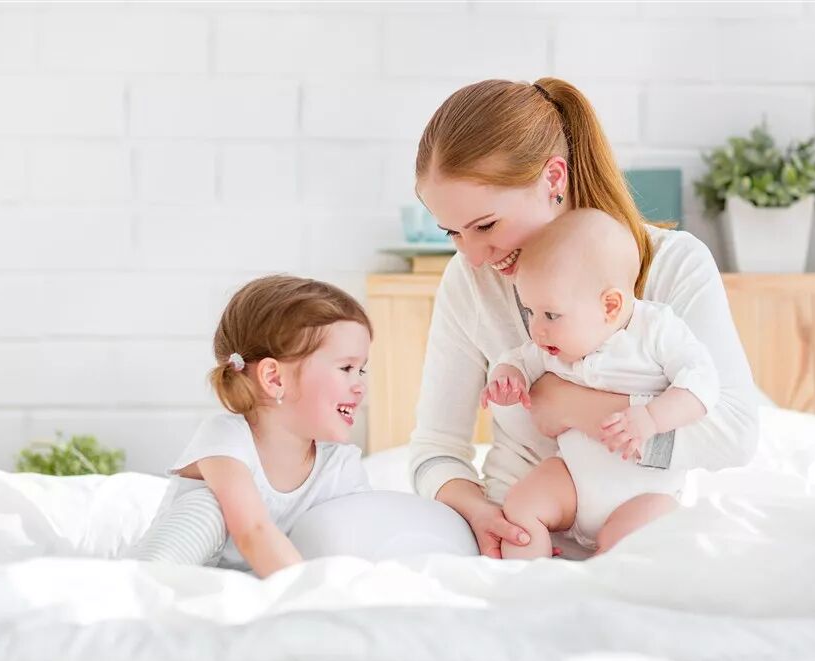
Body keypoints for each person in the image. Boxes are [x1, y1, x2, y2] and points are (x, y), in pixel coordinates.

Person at [409, 77, 759, 559]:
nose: (472, 256)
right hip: (516, 535)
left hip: (632, 537)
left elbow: (733, 434)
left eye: (486, 225)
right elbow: (435, 449)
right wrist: (481, 513)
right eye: (453, 233)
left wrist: (567, 404)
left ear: (554, 179)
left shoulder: (673, 265)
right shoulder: (470, 282)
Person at [481, 208, 719, 557]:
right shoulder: (552, 345)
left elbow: (702, 382)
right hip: (573, 485)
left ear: (610, 306)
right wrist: (507, 378)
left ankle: (602, 571)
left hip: (642, 494)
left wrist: (652, 417)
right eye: (531, 311)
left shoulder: (656, 331)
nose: (537, 329)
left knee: (640, 534)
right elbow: (516, 360)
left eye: (550, 314)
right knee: (521, 505)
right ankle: (529, 575)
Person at [128, 275, 372, 577]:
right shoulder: (226, 439)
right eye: (346, 368)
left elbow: (360, 542)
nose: (360, 386)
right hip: (174, 578)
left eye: (361, 370)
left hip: (265, 582)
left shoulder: (340, 466)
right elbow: (253, 532)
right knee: (208, 506)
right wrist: (308, 592)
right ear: (274, 378)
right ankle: (138, 582)